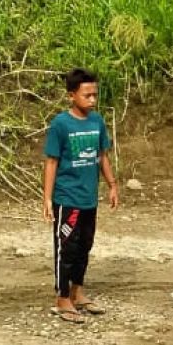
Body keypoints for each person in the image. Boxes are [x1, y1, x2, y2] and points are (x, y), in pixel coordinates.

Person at [42, 68, 119, 324]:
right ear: (72, 95)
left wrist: (112, 185)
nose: (92, 100)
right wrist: (47, 199)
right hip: (67, 199)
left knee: (85, 246)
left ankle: (78, 291)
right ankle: (62, 297)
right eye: (87, 95)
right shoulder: (61, 124)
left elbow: (102, 156)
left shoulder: (97, 122)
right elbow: (51, 162)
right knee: (66, 248)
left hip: (89, 199)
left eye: (95, 95)